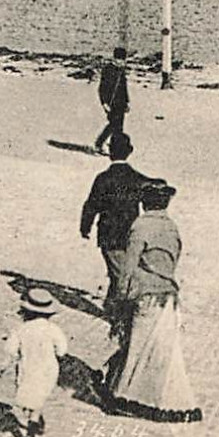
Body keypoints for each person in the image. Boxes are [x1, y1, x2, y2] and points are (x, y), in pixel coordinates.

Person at [107, 180, 202, 423]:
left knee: (138, 347)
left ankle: (127, 396)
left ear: (143, 201)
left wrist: (120, 299)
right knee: (164, 351)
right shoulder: (172, 227)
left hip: (145, 294)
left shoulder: (140, 226)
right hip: (168, 294)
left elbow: (127, 269)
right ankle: (166, 401)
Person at [79, 133, 155, 321]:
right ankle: (116, 310)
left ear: (110, 154)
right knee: (121, 273)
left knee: (118, 273)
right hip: (130, 235)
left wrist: (85, 227)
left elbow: (91, 205)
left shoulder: (103, 178)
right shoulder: (136, 178)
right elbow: (156, 186)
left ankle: (114, 309)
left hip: (108, 234)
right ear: (129, 153)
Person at [0, 287, 68, 437]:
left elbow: (11, 351)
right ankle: (34, 423)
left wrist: (3, 367)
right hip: (47, 369)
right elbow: (62, 350)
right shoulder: (53, 330)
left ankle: (33, 422)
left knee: (29, 394)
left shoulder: (21, 330)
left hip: (27, 367)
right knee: (40, 394)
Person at [95, 46, 130, 156]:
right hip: (111, 103)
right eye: (121, 60)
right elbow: (102, 88)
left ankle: (114, 147)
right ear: (115, 59)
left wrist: (127, 102)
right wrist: (104, 103)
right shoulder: (108, 70)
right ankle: (99, 143)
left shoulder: (121, 71)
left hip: (121, 103)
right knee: (113, 125)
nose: (122, 62)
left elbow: (124, 87)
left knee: (118, 126)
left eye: (123, 60)